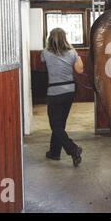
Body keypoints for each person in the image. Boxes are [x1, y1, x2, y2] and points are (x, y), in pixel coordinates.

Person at [41, 28, 84, 167]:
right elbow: (80, 70)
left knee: (55, 125)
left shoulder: (45, 53)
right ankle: (54, 152)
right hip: (69, 91)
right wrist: (78, 57)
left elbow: (43, 61)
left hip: (55, 92)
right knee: (60, 124)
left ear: (50, 38)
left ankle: (73, 149)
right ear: (65, 38)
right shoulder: (72, 52)